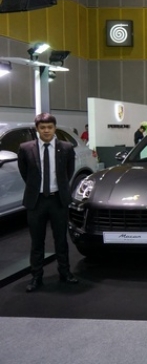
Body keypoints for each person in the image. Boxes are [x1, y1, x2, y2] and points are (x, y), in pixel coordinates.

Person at [17, 113, 79, 292]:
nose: (46, 131)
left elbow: (68, 172)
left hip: (58, 200)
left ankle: (65, 272)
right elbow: (24, 172)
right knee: (37, 242)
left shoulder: (66, 148)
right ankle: (36, 276)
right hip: (36, 201)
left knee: (61, 240)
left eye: (49, 127)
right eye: (42, 127)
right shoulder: (25, 148)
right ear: (37, 129)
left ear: (54, 128)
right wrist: (36, 188)